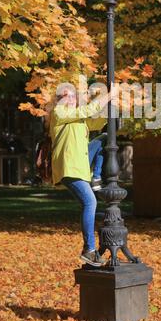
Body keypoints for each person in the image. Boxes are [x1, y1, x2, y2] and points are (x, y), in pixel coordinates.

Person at [49, 82, 117, 267]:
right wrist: (108, 95)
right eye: (65, 95)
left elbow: (97, 119)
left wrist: (112, 103)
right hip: (69, 167)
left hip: (81, 166)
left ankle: (96, 177)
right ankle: (89, 250)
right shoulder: (59, 113)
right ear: (58, 99)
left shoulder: (78, 119)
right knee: (90, 202)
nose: (70, 99)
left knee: (103, 138)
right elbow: (86, 111)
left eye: (72, 96)